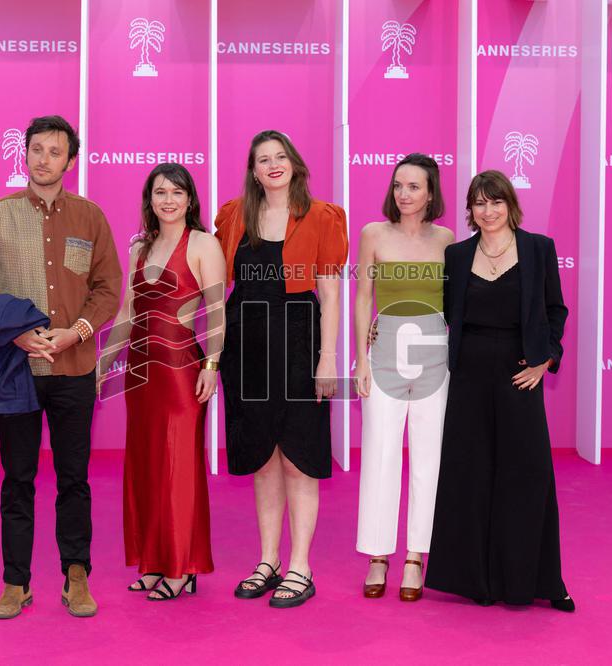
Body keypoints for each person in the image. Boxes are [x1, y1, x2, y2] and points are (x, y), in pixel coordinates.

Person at [0, 115, 123, 620]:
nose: (43, 159)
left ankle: (77, 576)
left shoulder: (91, 218)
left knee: (74, 478)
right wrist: (17, 334)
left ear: (70, 161)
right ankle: (16, 582)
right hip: (17, 372)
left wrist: (77, 330)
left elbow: (108, 288)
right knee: (18, 479)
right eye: (36, 149)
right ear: (24, 154)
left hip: (74, 368)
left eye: (55, 151)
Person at [424, 170, 574, 612]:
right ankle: (478, 582)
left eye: (495, 202)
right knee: (470, 475)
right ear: (469, 210)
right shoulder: (456, 255)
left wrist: (546, 359)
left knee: (527, 476)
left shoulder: (538, 249)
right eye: (478, 203)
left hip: (518, 372)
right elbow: (442, 312)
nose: (487, 211)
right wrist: (383, 326)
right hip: (469, 374)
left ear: (510, 204)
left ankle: (544, 580)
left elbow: (555, 309)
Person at [214, 130, 347, 608]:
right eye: (262, 159)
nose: (272, 165)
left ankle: (300, 567)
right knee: (264, 460)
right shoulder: (233, 216)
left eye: (280, 156)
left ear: (294, 162)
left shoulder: (322, 217)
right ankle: (268, 560)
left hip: (299, 343)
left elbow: (330, 293)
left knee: (298, 459)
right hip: (246, 348)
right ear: (253, 170)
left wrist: (326, 359)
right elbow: (215, 281)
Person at [97, 163, 225, 601]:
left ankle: (181, 565)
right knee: (146, 465)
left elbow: (216, 312)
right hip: (139, 371)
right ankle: (153, 561)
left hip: (180, 369)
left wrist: (211, 367)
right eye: (159, 193)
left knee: (179, 465)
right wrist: (102, 364)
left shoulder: (204, 244)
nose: (167, 200)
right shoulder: (139, 248)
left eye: (176, 192)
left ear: (190, 199)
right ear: (149, 201)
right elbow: (127, 316)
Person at [353, 154, 454, 602]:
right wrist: (361, 359)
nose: (404, 194)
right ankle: (378, 554)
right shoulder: (373, 234)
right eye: (398, 185)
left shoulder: (449, 240)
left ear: (431, 193)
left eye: (414, 186)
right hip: (385, 356)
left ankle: (416, 556)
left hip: (435, 357)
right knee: (380, 453)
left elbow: (456, 303)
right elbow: (362, 299)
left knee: (430, 458)